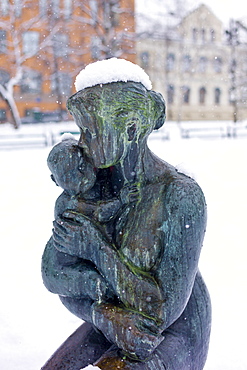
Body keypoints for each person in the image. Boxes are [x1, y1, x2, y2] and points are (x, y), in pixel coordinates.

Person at [42, 59, 211, 369]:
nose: (82, 144)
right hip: (113, 318)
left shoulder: (180, 196)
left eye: (90, 132)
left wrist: (96, 251)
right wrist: (103, 313)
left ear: (131, 127)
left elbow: (160, 309)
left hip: (173, 332)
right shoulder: (88, 190)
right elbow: (53, 276)